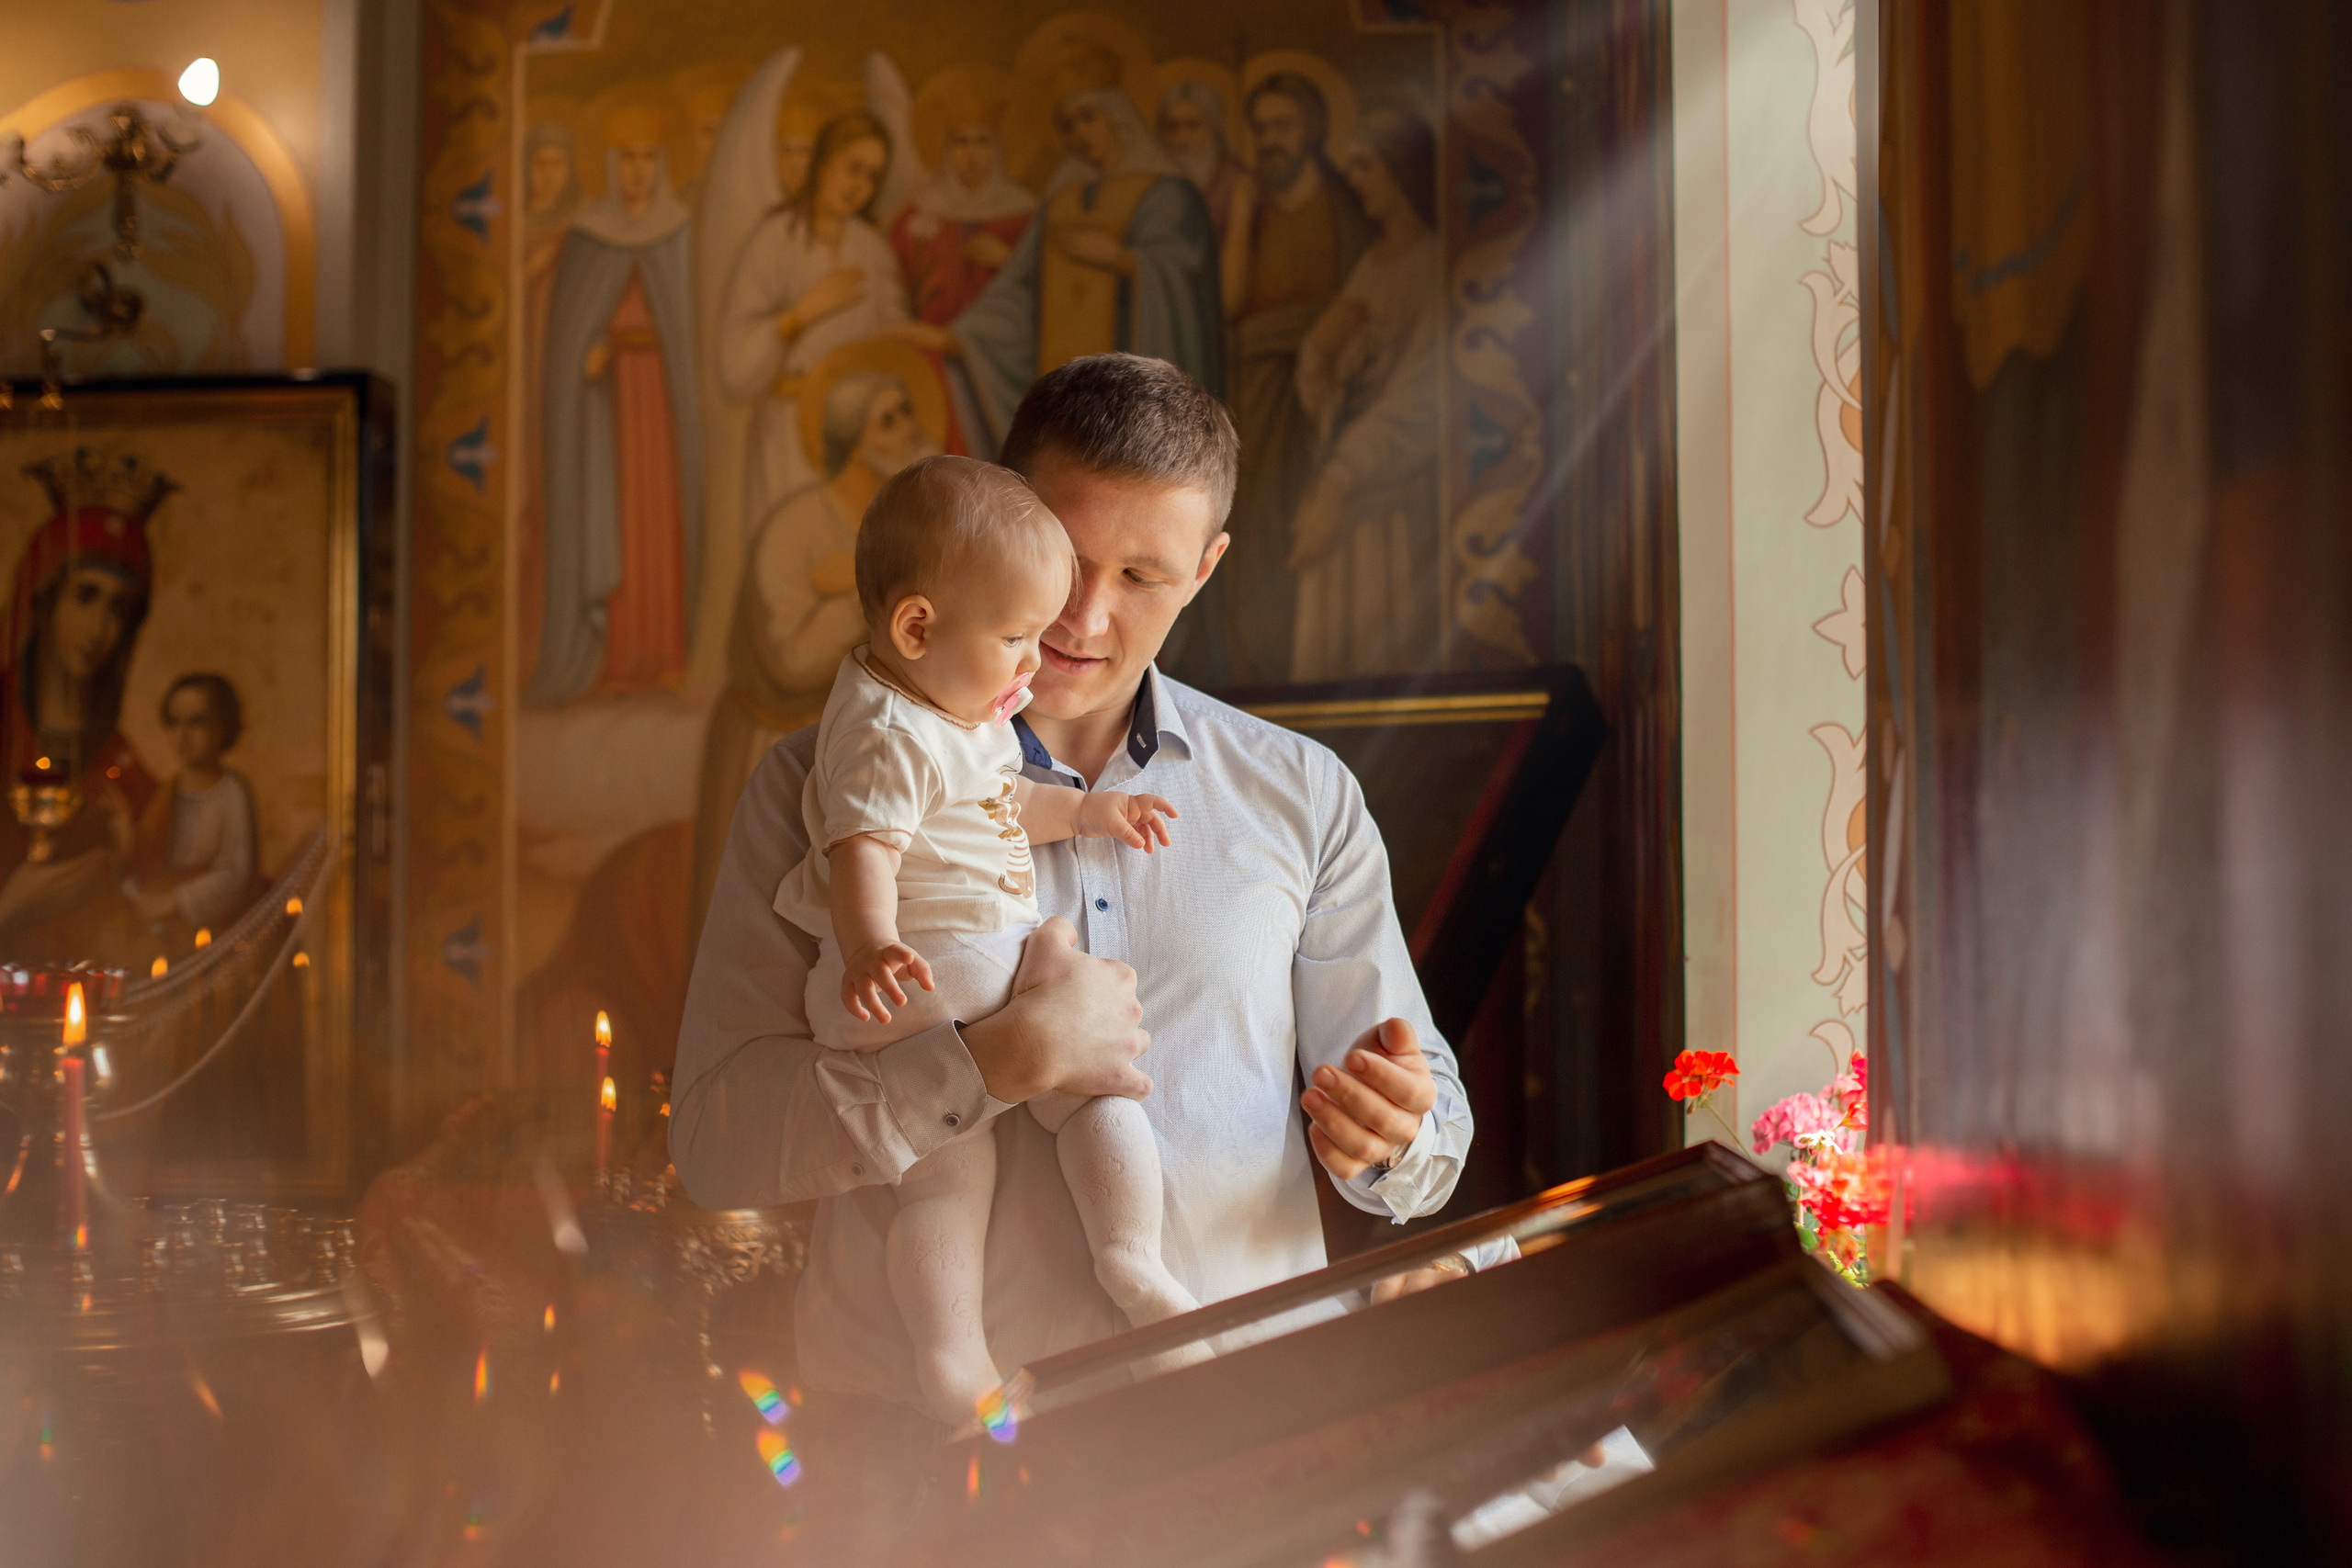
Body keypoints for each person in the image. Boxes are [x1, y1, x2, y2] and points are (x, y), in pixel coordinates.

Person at [673, 355, 1472, 1532]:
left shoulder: (1302, 798)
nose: (1083, 621)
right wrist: (988, 1067)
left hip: (1247, 1447)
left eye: (1144, 574)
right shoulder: (812, 791)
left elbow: (1430, 1134)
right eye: (1069, 557)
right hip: (921, 1478)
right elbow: (716, 1144)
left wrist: (1393, 1137)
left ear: (1206, 570)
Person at [775, 454, 1194, 1423]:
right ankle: (1100, 1269)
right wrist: (873, 941)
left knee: (967, 1170)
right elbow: (861, 851)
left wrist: (1090, 816)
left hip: (971, 969)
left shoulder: (940, 702)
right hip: (928, 975)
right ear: (916, 625)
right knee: (1064, 1095)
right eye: (1015, 637)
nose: (1034, 662)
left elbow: (1000, 807)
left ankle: (982, 1339)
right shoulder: (883, 732)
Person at [687, 346, 941, 944]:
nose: (910, 429)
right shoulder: (795, 528)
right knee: (774, 943)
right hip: (783, 750)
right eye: (889, 419)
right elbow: (792, 659)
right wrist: (862, 599)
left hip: (879, 757)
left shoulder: (917, 529)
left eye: (908, 412)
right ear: (850, 440)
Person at [899, 44, 1222, 453]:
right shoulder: (1061, 203)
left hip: (1136, 395)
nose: (1079, 134)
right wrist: (959, 339)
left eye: (1088, 118)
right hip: (1065, 393)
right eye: (1068, 126)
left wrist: (1121, 260)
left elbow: (1187, 281)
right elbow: (1019, 292)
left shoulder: (1170, 194)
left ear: (1119, 117)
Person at [1183, 71, 1374, 688]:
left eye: (1283, 126)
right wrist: (1240, 217)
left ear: (1314, 131)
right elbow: (1232, 303)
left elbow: (1367, 305)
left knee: (1296, 525)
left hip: (1320, 393)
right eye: (1261, 128)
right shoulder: (1252, 206)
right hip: (1255, 394)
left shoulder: (1342, 207)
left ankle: (1300, 669)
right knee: (1250, 531)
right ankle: (1253, 671)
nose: (1271, 141)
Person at [533, 103, 703, 706]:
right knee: (619, 524)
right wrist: (589, 353)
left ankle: (665, 655)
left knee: (661, 519)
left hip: (662, 405)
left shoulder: (682, 232)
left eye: (647, 160)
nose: (636, 173)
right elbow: (568, 338)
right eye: (625, 160)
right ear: (608, 166)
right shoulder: (588, 236)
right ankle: (615, 657)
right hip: (609, 413)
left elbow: (693, 334)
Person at [1287, 103, 1445, 681]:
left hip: (1387, 491)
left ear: (1401, 168)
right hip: (1344, 467)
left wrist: (1339, 479)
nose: (1353, 179)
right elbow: (1322, 374)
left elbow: (1422, 396)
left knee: (1381, 642)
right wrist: (1316, 358)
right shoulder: (1373, 263)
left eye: (1365, 165)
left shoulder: (1430, 262)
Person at [715, 109, 910, 536]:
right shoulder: (773, 241)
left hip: (861, 439)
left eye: (873, 176)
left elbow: (896, 346)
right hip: (787, 431)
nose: (860, 185)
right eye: (852, 168)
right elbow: (734, 365)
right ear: (823, 163)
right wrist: (801, 315)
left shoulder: (872, 251)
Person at [0, 454, 164, 961]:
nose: (100, 630)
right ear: (42, 599)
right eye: (85, 596)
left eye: (119, 609)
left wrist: (124, 866)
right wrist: (9, 911)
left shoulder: (125, 768)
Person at [120, 672, 264, 951]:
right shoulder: (162, 794)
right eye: (174, 723)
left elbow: (236, 873)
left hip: (218, 923)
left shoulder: (231, 792)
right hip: (161, 920)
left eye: (196, 722)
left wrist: (174, 902)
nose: (182, 736)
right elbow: (141, 864)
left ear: (223, 727)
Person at [888, 64, 1036, 328]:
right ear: (946, 148)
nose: (971, 155)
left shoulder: (1024, 215)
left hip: (999, 345)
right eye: (961, 142)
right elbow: (892, 284)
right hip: (927, 344)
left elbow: (1047, 287)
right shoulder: (919, 213)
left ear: (999, 148)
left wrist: (1007, 261)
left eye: (983, 141)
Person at [1156, 79, 1246, 243]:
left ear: (1214, 128)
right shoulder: (1158, 180)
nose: (1182, 139)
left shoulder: (1235, 179)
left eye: (1193, 126)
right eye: (1172, 127)